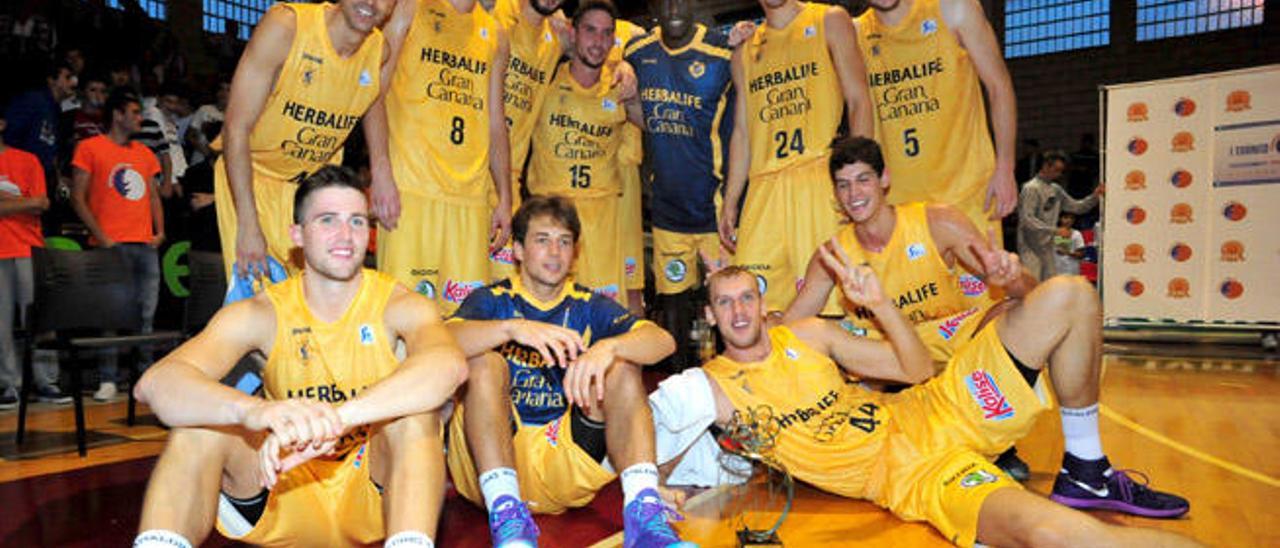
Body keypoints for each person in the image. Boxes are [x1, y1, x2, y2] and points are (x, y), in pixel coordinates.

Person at [656, 263, 1193, 546]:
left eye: (747, 297)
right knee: (1054, 535)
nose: (739, 310)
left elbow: (914, 371)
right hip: (916, 473)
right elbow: (657, 434)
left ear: (763, 304)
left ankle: (1086, 467)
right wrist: (656, 486)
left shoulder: (809, 334)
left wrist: (881, 304)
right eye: (725, 302)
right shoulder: (712, 385)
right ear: (710, 315)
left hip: (939, 405)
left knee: (1069, 293)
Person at [131, 166, 467, 548]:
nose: (345, 235)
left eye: (356, 221)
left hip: (370, 494)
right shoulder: (261, 312)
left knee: (416, 418)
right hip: (281, 485)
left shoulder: (400, 303)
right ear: (297, 234)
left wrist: (339, 419)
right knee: (199, 424)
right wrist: (255, 412)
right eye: (328, 220)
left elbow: (449, 365)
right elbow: (155, 384)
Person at [444, 195, 688, 548]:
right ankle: (507, 514)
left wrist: (609, 347)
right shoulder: (492, 300)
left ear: (575, 252)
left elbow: (663, 342)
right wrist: (512, 328)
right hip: (487, 461)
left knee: (621, 366)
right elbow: (440, 340)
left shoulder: (588, 305)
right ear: (517, 250)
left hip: (561, 459)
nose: (554, 252)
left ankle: (644, 516)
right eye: (542, 240)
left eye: (564, 242)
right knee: (483, 361)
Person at [784, 137, 1033, 363]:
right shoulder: (832, 255)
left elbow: (1032, 291)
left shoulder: (939, 223)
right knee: (801, 336)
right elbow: (790, 326)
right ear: (836, 193)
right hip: (884, 360)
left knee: (1022, 308)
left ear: (884, 179)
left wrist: (1014, 280)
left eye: (863, 180)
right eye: (843, 185)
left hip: (951, 345)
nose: (853, 194)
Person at [215, 0, 393, 286]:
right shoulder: (286, 26)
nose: (371, 3)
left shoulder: (379, 51)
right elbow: (235, 128)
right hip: (256, 181)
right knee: (265, 309)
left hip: (313, 190)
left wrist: (382, 170)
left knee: (321, 303)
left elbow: (374, 101)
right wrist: (248, 223)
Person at [718, 0, 873, 314]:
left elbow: (859, 100)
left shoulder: (830, 20)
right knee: (754, 309)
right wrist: (731, 199)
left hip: (816, 180)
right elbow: (742, 131)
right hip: (764, 187)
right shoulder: (745, 50)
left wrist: (860, 178)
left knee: (833, 309)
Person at [372, 0, 512, 315]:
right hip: (411, 190)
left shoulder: (496, 34)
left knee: (466, 324)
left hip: (471, 199)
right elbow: (374, 92)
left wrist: (505, 196)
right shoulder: (409, 8)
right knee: (401, 319)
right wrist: (380, 171)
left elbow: (495, 121)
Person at [625, 0, 734, 370]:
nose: (673, 7)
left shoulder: (723, 50)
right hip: (667, 211)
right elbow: (606, 46)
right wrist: (622, 69)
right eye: (664, 0)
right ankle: (679, 391)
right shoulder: (639, 52)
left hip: (714, 211)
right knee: (673, 310)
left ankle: (729, 389)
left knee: (722, 304)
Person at [853, 0, 1019, 238]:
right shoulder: (855, 33)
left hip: (966, 192)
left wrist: (1005, 166)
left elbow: (999, 86)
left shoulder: (953, 9)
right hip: (897, 201)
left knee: (990, 273)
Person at [526, 0, 643, 307]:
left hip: (603, 218)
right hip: (552, 215)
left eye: (606, 34)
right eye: (590, 31)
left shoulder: (619, 85)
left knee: (605, 320)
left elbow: (650, 123)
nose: (598, 41)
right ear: (573, 34)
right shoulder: (546, 79)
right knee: (548, 313)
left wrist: (631, 91)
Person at [68, 90, 165, 402]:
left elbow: (153, 196)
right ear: (117, 115)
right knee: (110, 317)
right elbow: (77, 197)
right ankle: (108, 379)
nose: (139, 118)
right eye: (134, 112)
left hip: (145, 244)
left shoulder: (145, 154)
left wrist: (159, 231)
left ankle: (145, 380)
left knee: (146, 316)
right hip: (110, 245)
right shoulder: (90, 148)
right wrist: (102, 235)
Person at [0, 107, 72, 409]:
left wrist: (6, 203)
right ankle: (8, 384)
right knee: (1, 324)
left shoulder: (26, 159)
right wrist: (23, 202)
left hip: (29, 249)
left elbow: (42, 203)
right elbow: (32, 202)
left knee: (40, 320)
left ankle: (47, 381)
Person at [1017, 150, 1100, 280]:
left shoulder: (1056, 189)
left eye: (1061, 171)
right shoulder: (1030, 188)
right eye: (1056, 170)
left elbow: (1077, 207)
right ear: (1045, 166)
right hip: (1030, 246)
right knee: (1033, 286)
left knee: (1050, 285)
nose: (1059, 174)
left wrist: (1095, 197)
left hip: (1047, 246)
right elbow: (1027, 219)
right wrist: (1055, 230)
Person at [1053, 212, 1085, 277]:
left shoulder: (1077, 234)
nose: (1069, 220)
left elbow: (1081, 254)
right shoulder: (1052, 233)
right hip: (1055, 270)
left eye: (1071, 218)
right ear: (1060, 218)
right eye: (1065, 217)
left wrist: (1068, 253)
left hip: (1071, 270)